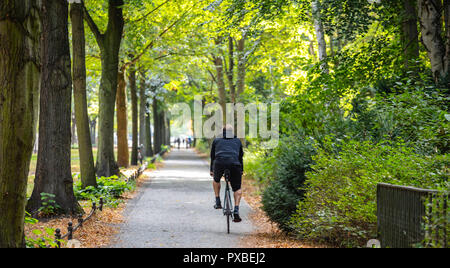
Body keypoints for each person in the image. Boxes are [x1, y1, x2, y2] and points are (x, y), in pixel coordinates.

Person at [210, 124, 244, 222]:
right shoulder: (237, 141)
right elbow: (240, 157)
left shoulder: (216, 140)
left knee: (216, 180)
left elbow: (213, 157)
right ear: (232, 132)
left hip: (219, 163)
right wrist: (241, 169)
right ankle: (236, 209)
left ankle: (218, 201)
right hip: (235, 164)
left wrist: (212, 170)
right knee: (237, 188)